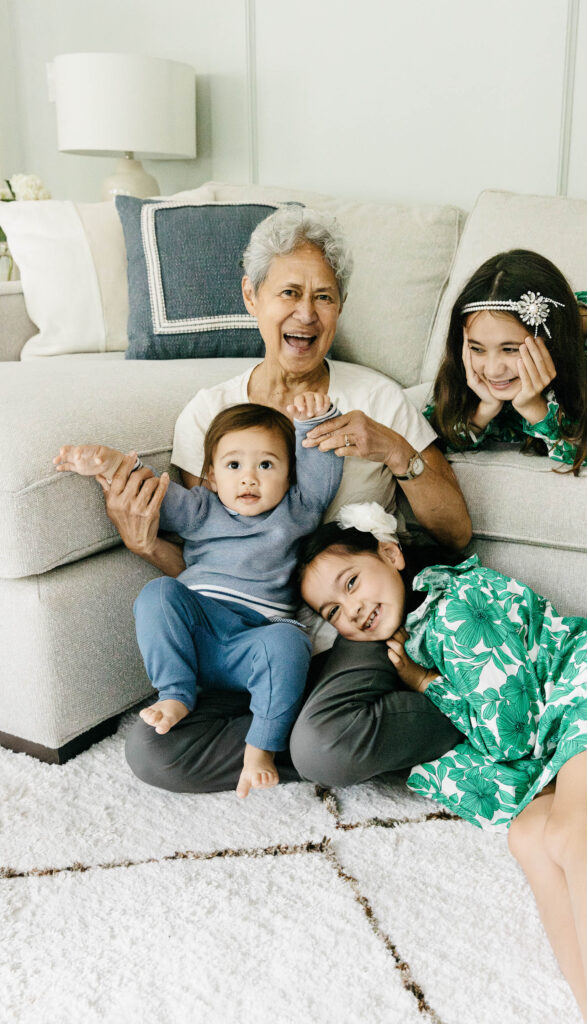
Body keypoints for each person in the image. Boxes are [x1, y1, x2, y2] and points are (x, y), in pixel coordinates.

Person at [97, 204, 471, 793]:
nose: (306, 313)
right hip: (250, 642)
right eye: (289, 292)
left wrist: (397, 451)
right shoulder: (209, 414)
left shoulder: (375, 397)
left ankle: (473, 714)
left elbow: (455, 533)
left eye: (324, 297)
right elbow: (210, 564)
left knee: (324, 745)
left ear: (339, 308)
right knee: (153, 751)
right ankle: (297, 738)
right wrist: (147, 548)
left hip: (350, 628)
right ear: (252, 296)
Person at [298, 502, 587, 1024]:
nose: (352, 610)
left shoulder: (452, 607)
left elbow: (510, 731)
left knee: (575, 832)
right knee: (529, 836)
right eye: (333, 613)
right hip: (566, 741)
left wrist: (426, 684)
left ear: (390, 554)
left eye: (351, 583)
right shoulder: (419, 630)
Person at [54, 393, 343, 798]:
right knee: (159, 593)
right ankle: (175, 693)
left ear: (289, 475)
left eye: (266, 465)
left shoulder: (297, 510)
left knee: (290, 640)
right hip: (196, 634)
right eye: (234, 465)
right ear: (211, 475)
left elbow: (322, 472)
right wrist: (108, 462)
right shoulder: (202, 508)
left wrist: (315, 421)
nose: (249, 478)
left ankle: (260, 749)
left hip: (252, 643)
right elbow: (150, 490)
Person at [427, 249, 587, 474]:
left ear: (551, 340)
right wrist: (484, 409)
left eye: (510, 349)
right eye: (477, 348)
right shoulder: (473, 359)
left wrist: (533, 406)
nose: (492, 369)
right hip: (532, 385)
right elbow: (430, 438)